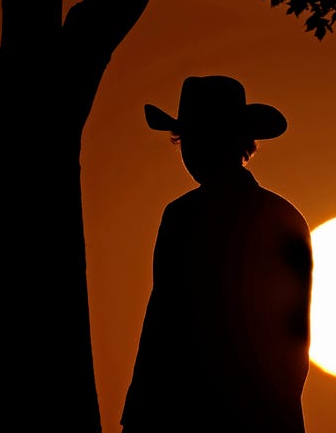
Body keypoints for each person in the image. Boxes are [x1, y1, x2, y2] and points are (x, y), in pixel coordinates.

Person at [121, 75, 312, 433]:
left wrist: (139, 414)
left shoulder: (183, 216)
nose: (190, 152)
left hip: (192, 413)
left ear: (231, 142)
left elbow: (163, 322)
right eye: (187, 141)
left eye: (199, 139)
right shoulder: (283, 216)